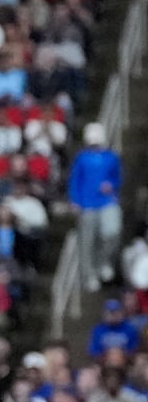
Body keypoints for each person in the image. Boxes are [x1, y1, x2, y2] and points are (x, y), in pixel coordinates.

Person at [70, 122, 123, 291]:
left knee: (112, 231)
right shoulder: (81, 158)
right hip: (87, 204)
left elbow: (118, 177)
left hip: (107, 201)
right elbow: (75, 180)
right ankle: (89, 275)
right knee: (87, 241)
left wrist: (112, 185)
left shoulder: (111, 157)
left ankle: (105, 263)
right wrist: (75, 200)